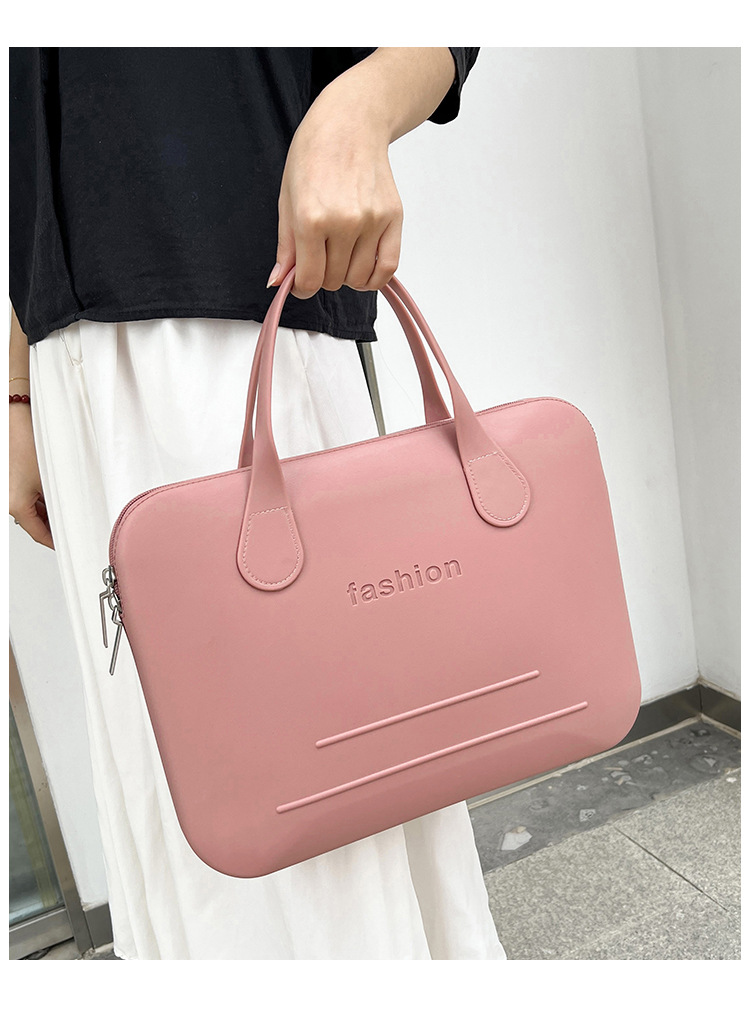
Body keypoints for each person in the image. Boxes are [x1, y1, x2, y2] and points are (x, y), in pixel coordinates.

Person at [9, 46, 506, 960]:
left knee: (303, 807)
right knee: (169, 786)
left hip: (242, 314)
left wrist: (359, 106)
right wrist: (18, 388)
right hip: (66, 350)